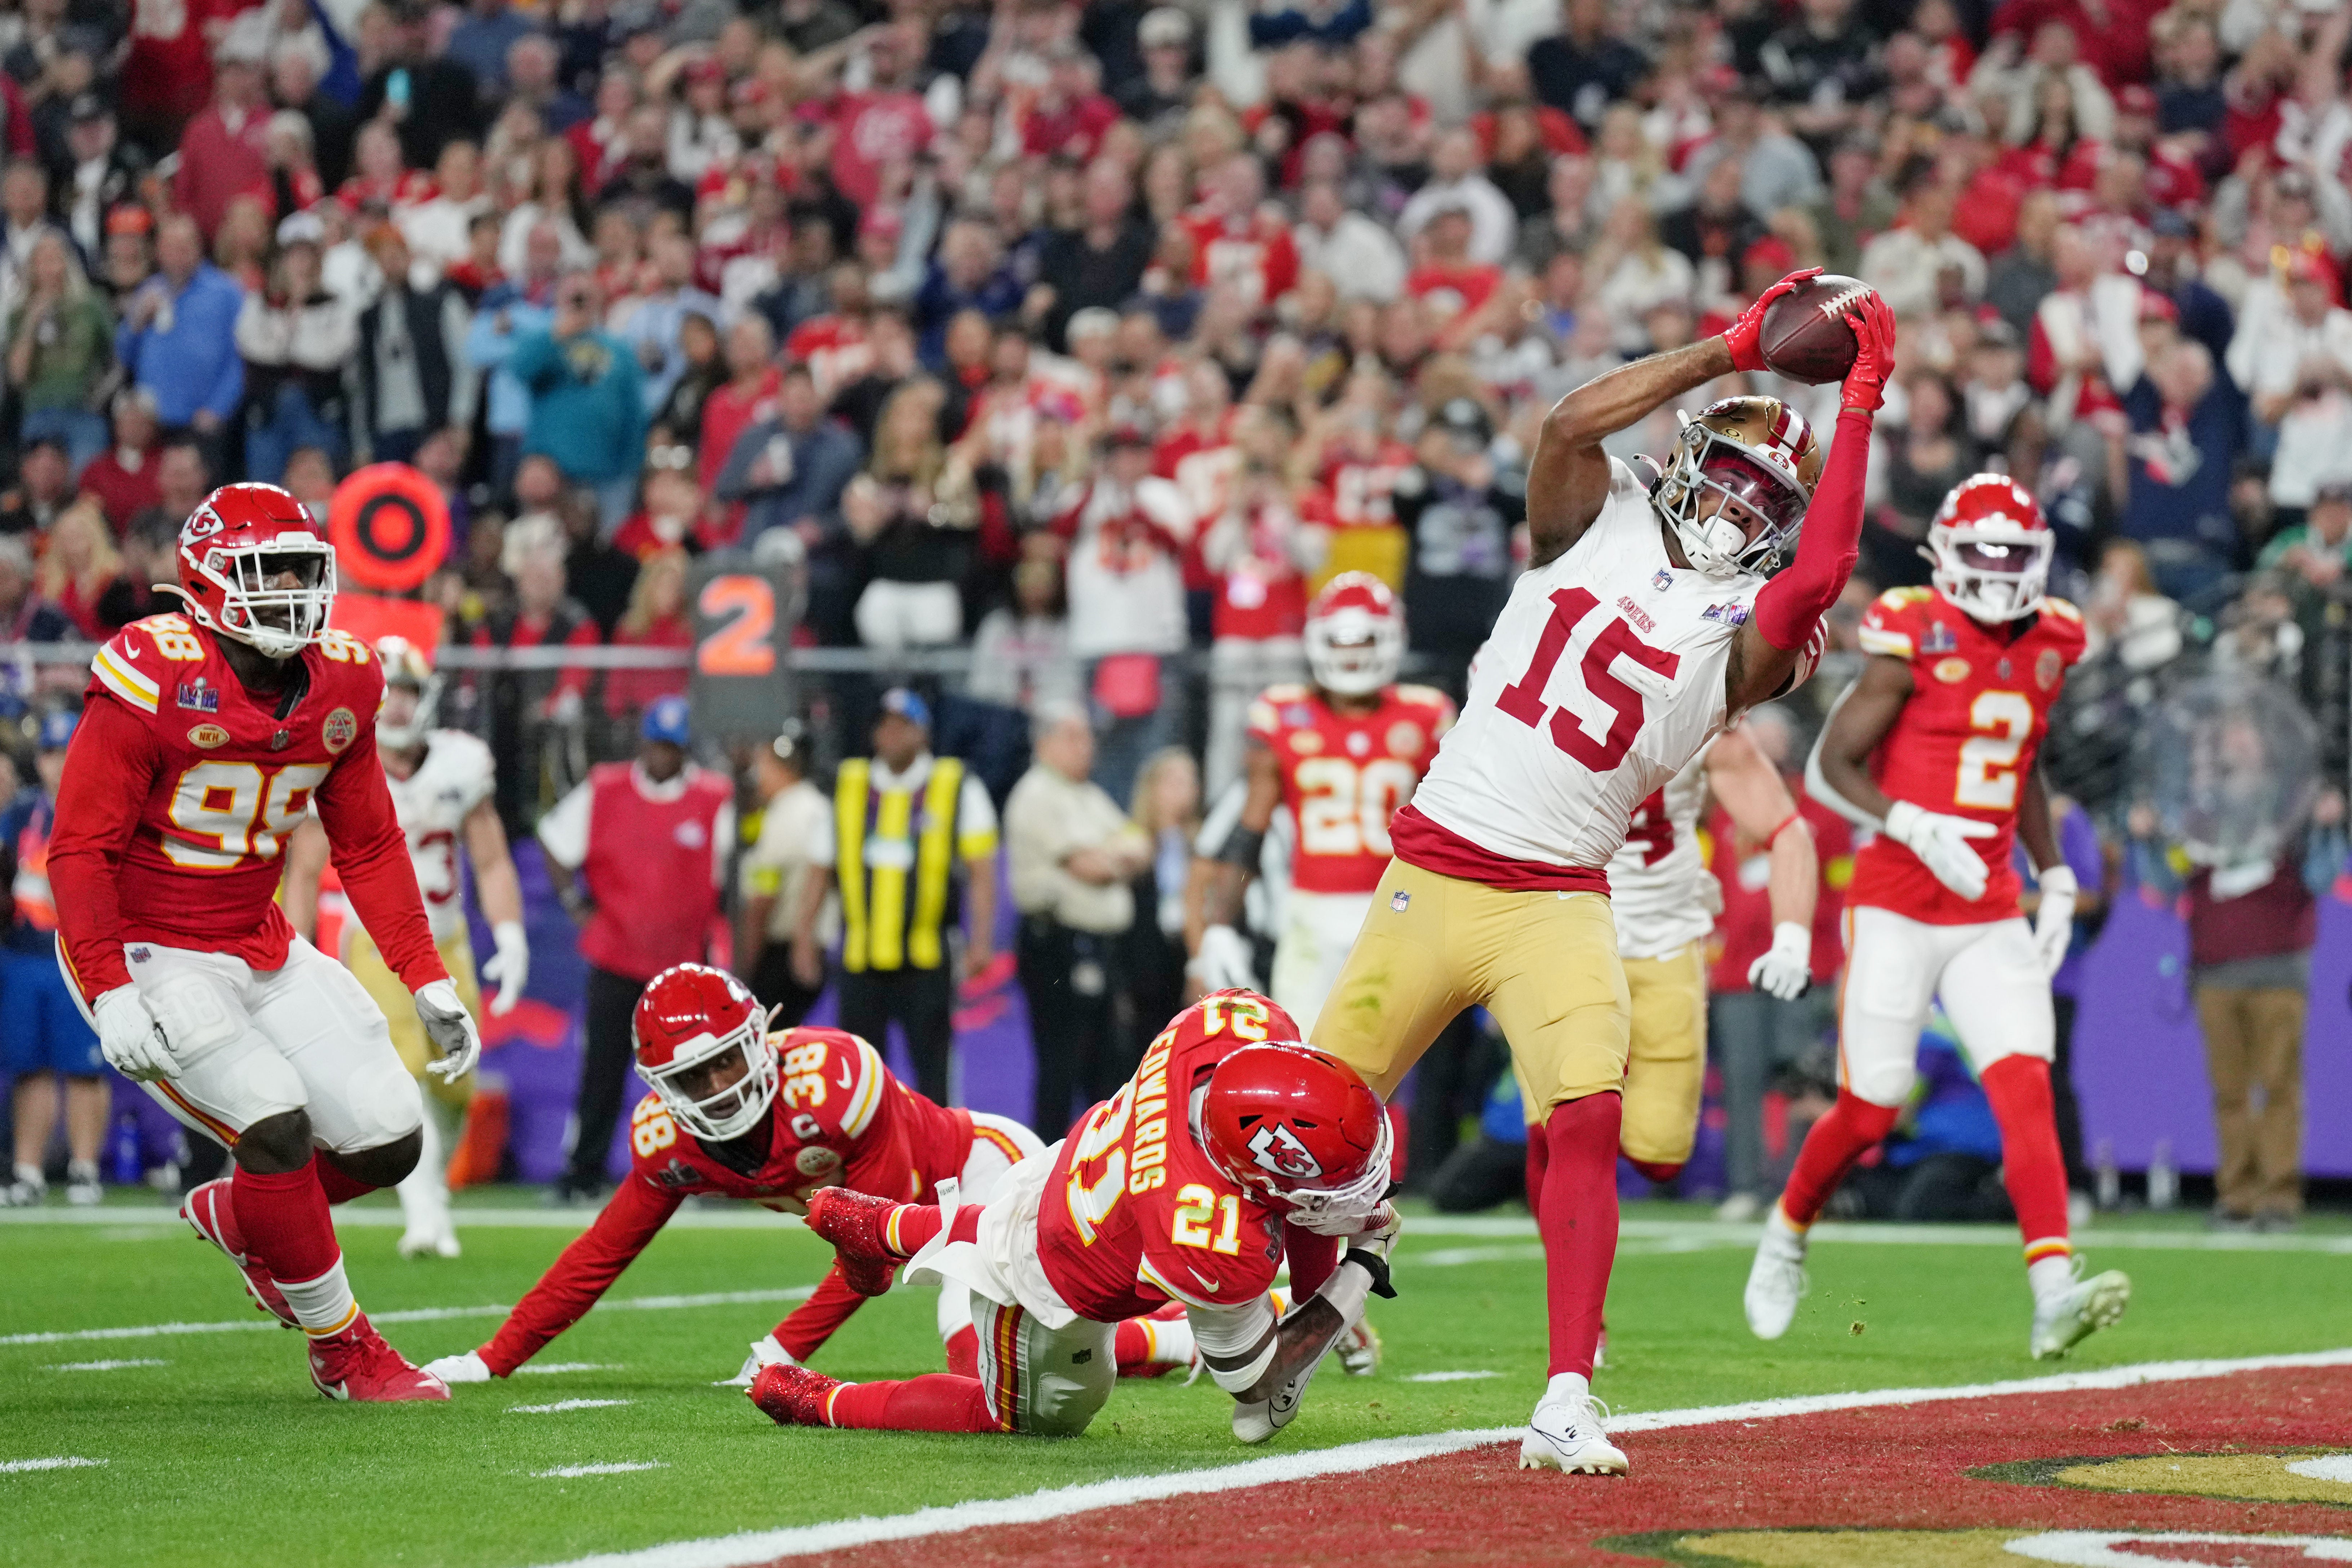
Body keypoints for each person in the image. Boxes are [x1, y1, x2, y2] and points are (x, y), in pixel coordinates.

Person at [1307, 270, 1893, 1475]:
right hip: (1435, 867)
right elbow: (1566, 423)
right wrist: (1726, 348)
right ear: (1685, 460)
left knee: (1588, 1119)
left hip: (1561, 896)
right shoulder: (1595, 509)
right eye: (1723, 472)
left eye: (1761, 494)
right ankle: (1269, 1314)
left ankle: (1566, 1391)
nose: (1734, 505)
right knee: (1320, 1120)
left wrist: (1864, 402)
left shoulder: (1752, 637)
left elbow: (1818, 580)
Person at [45, 481, 479, 1400]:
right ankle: (344, 1348)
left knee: (389, 1136)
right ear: (205, 579)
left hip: (258, 938)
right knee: (274, 1119)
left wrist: (426, 976)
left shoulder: (347, 677)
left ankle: (241, 1215)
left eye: (299, 568)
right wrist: (109, 983)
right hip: (145, 945)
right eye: (263, 569)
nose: (286, 588)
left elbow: (368, 841)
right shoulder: (153, 669)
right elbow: (80, 846)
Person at [423, 966, 1196, 1389]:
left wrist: (781, 1348)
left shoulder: (832, 1078)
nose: (720, 1084)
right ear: (659, 1087)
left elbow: (875, 1244)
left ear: (760, 1039)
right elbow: (599, 1256)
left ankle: (1180, 1340)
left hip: (977, 1176)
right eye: (693, 1077)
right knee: (1042, 1342)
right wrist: (494, 1359)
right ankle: (1173, 1332)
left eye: (727, 1057)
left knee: (983, 1366)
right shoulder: (670, 1143)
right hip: (899, 1223)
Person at [1768, 474, 2128, 1359]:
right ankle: (1785, 1233)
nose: (2002, 570)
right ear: (1945, 558)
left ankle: (2052, 1290)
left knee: (2024, 1085)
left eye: (2016, 554)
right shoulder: (1911, 628)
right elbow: (1827, 768)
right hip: (1894, 903)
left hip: (1987, 908)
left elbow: (2023, 760)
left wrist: (2049, 873)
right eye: (1986, 552)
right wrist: (1910, 820)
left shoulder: (2052, 638)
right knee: (1871, 1106)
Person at [752, 992, 1396, 1440]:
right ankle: (820, 1401)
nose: (1364, 1186)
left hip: (1071, 1173)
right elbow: (1258, 1396)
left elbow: (1298, 1207)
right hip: (1049, 1287)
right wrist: (1362, 1268)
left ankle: (879, 1225)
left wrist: (1323, 1290)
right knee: (1019, 1420)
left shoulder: (1235, 1027)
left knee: (1008, 1228)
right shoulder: (1206, 1234)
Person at [279, 638, 529, 1260]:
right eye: (386, 693)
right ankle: (424, 1213)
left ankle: (432, 1192)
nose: (395, 708)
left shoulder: (459, 763)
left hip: (446, 940)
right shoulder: (340, 762)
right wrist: (296, 950)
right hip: (373, 941)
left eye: (408, 692)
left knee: (456, 1080)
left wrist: (511, 933)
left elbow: (491, 857)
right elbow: (304, 871)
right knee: (407, 1073)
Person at [1193, 574, 1455, 1037]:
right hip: (1308, 915)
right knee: (1303, 1051)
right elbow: (1248, 834)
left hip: (1394, 910)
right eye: (1340, 641)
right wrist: (1220, 927)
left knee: (1381, 1061)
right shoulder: (1283, 714)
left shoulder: (1426, 714)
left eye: (1365, 640)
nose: (1352, 654)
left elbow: (1451, 835)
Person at [1601, 717, 1821, 1195]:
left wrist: (1806, 951)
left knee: (1799, 1080)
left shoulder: (1805, 808)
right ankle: (1744, 1185)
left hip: (1795, 967)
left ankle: (1798, 1187)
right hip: (1727, 969)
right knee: (1739, 1084)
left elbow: (1829, 877)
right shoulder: (1717, 815)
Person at [535, 694, 733, 1205]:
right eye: (658, 745)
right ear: (644, 742)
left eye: (673, 747)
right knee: (600, 1069)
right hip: (616, 953)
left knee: (693, 1076)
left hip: (683, 965)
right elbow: (555, 840)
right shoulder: (606, 788)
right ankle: (583, 1171)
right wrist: (574, 901)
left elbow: (730, 875)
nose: (664, 756)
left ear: (685, 751)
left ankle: (700, 1172)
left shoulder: (713, 798)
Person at [793, 688, 999, 1106]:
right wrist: (804, 939)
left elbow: (981, 873)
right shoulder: (847, 785)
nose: (891, 734)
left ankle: (941, 1164)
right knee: (859, 1079)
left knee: (933, 1073)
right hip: (859, 955)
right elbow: (818, 870)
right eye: (884, 725)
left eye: (902, 725)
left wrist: (981, 941)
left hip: (927, 956)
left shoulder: (954, 784)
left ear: (922, 733)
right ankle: (868, 1167)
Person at [1007, 704, 1151, 1141]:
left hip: (1099, 948)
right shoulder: (1036, 794)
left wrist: (1113, 856)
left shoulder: (1087, 794)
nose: (1086, 746)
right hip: (1056, 943)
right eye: (1074, 736)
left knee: (1106, 1065)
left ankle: (1104, 1162)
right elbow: (1092, 867)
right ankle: (1046, 1164)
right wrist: (1113, 857)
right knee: (1061, 1065)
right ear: (1044, 742)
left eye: (1087, 737)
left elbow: (1142, 843)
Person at [1, 709, 107, 1207]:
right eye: (50, 752)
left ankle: (85, 1169)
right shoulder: (21, 813)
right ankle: (28, 1170)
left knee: (86, 1068)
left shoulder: (103, 811)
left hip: (81, 955)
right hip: (25, 953)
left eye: (67, 752)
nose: (58, 763)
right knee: (30, 1066)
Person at [735, 724, 829, 1027]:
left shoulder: (786, 815)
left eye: (763, 764)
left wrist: (743, 966)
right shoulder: (820, 807)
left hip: (782, 953)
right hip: (815, 947)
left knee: (764, 1046)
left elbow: (763, 900)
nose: (758, 775)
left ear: (780, 769)